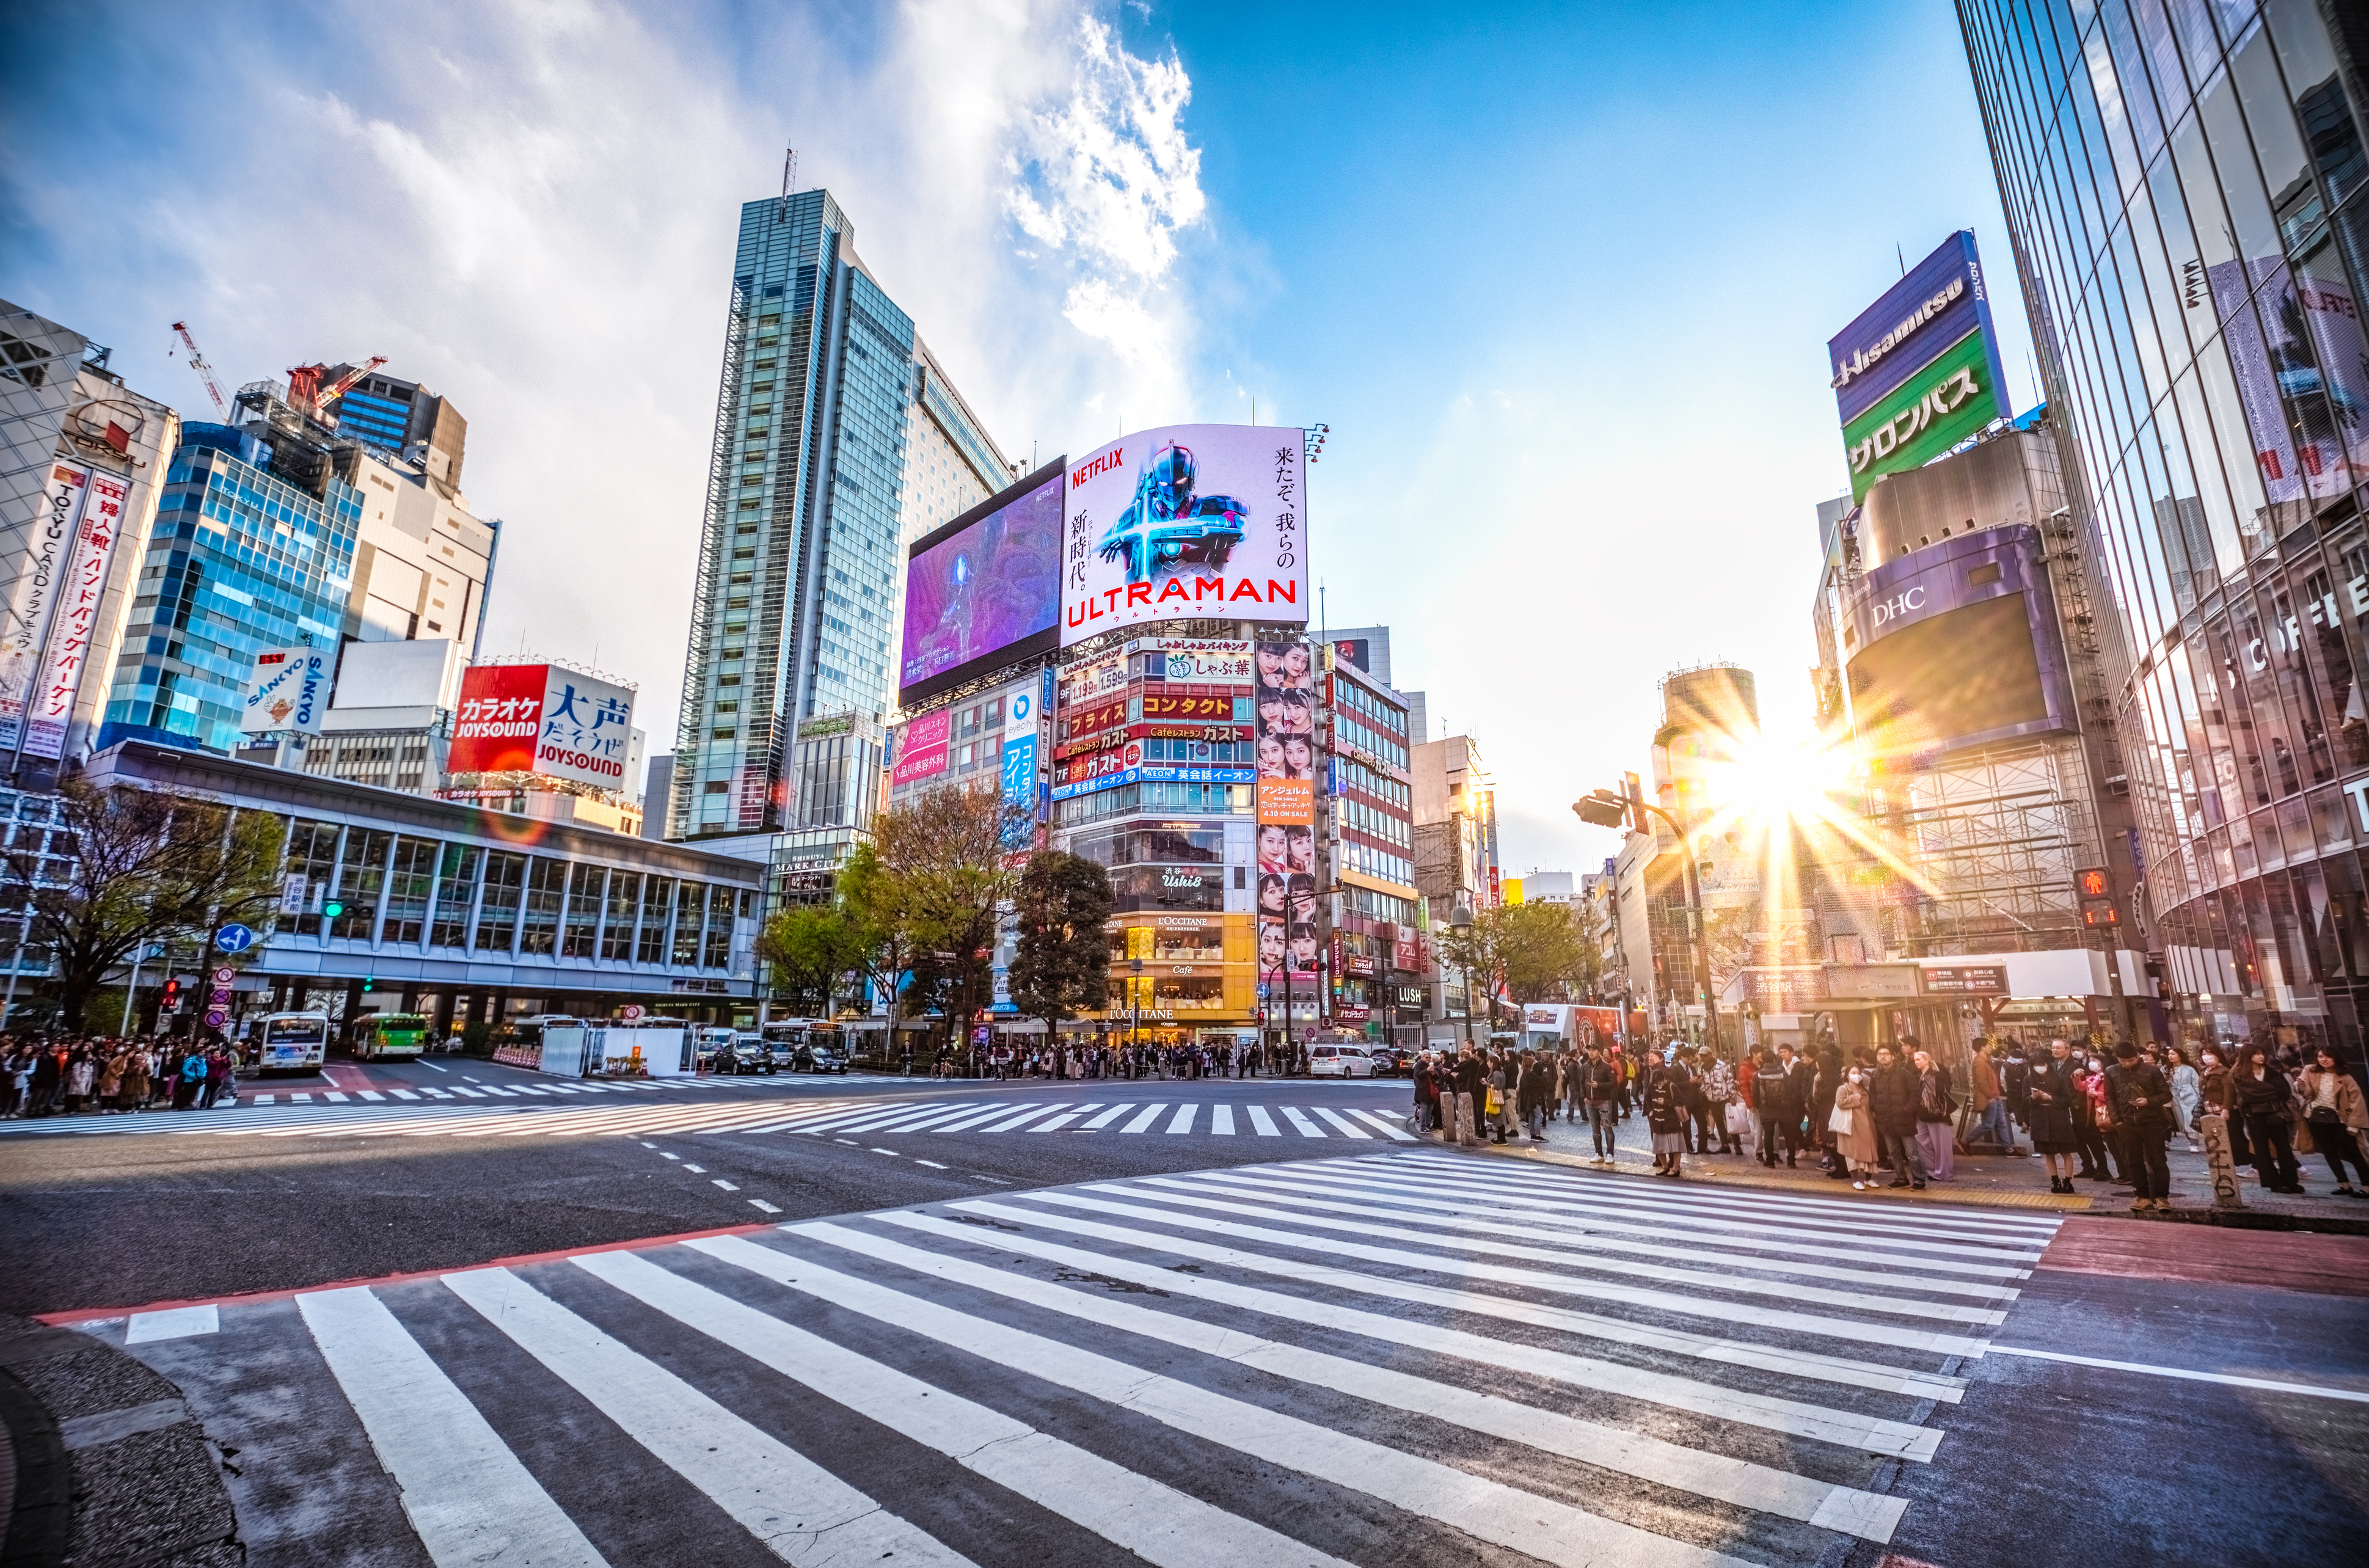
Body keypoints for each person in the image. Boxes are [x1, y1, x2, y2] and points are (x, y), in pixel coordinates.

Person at [2104, 1041, 2176, 1211]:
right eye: (2123, 1061)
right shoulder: (2111, 1071)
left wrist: (2148, 1101)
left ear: (2137, 1056)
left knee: (2158, 1160)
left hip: (2151, 1122)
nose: (2127, 1064)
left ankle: (2162, 1197)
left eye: (2130, 1060)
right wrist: (2118, 1121)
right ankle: (2142, 1197)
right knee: (2134, 1161)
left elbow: (2166, 1095)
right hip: (2126, 1123)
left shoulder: (2152, 1070)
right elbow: (2110, 1097)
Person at [2295, 1047, 2369, 1198]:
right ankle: (2343, 1185)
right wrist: (2301, 1086)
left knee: (2355, 1154)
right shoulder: (2310, 1070)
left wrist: (2354, 1125)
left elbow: (2357, 1101)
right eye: (2321, 1056)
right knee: (2329, 1153)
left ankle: (2366, 1187)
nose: (2324, 1060)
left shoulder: (2345, 1076)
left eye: (2328, 1057)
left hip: (2340, 1120)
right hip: (2317, 1119)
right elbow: (2306, 1093)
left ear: (2336, 1059)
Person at [2230, 1045, 2302, 1193]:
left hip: (2275, 1114)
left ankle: (2291, 1182)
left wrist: (2268, 1092)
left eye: (2262, 1053)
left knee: (2284, 1148)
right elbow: (2250, 1094)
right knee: (2262, 1151)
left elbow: (2284, 1091)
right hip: (2254, 1116)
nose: (2261, 1057)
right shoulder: (2239, 1073)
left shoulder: (2270, 1071)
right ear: (2247, 1055)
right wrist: (2272, 1091)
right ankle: (2274, 1183)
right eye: (2257, 1054)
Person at [1869, 1045, 1929, 1189]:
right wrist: (1875, 1108)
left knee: (1912, 1153)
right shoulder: (1875, 1075)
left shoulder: (1904, 1073)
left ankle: (1919, 1180)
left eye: (1886, 1054)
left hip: (1903, 1119)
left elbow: (1916, 1094)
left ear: (1893, 1056)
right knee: (1893, 1153)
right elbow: (1873, 1095)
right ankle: (1901, 1179)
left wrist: (1907, 1110)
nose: (1882, 1056)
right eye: (1880, 1054)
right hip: (1886, 1120)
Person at [1831, 1065, 1882, 1188]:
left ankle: (1868, 1179)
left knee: (1870, 1151)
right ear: (1847, 1076)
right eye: (1853, 1072)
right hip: (1851, 1125)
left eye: (1858, 1073)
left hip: (1868, 1125)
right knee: (1852, 1153)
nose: (1857, 1075)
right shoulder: (1843, 1089)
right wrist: (1854, 1098)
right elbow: (1840, 1103)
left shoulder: (1865, 1090)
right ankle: (1855, 1181)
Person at [1913, 1049, 1956, 1182]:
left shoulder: (1935, 1075)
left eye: (1918, 1059)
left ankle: (1943, 1173)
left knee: (1941, 1145)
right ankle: (1932, 1170)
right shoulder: (1922, 1075)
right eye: (1915, 1060)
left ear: (1927, 1060)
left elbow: (1935, 1095)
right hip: (1925, 1115)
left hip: (1936, 1115)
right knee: (1921, 1139)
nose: (1916, 1062)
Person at [1644, 1056, 1688, 1177]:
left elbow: (1680, 1101)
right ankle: (1664, 1167)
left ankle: (1675, 1169)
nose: (1658, 1085)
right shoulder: (1652, 1086)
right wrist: (1650, 1110)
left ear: (1664, 1079)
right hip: (1657, 1120)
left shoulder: (1671, 1086)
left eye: (1660, 1083)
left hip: (1671, 1120)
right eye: (1656, 1083)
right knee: (1658, 1146)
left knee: (1675, 1146)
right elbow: (1647, 1098)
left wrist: (1666, 1102)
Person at [1969, 1041, 2014, 1151]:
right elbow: (1981, 1082)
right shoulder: (1980, 1062)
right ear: (1982, 1047)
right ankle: (1966, 1141)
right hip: (1990, 1097)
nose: (1990, 1048)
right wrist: (1990, 1096)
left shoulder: (1986, 1060)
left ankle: (2009, 1149)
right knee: (1988, 1124)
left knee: (2001, 1123)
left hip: (1995, 1096)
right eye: (1988, 1046)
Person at [2168, 1046, 2202, 1153]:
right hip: (2175, 1097)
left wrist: (2200, 1098)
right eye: (2169, 1054)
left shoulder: (2189, 1069)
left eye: (2173, 1054)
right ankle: (2190, 1141)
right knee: (2181, 1121)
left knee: (2190, 1120)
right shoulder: (2166, 1069)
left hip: (2190, 1096)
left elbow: (2196, 1084)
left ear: (2180, 1056)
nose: (2170, 1056)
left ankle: (2194, 1144)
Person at [1451, 1044, 1485, 1148]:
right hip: (1473, 1090)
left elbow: (1462, 1073)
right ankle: (1477, 1130)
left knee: (1480, 1112)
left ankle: (1482, 1131)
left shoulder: (1485, 1066)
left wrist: (1454, 1072)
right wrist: (1452, 1070)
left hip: (1481, 1091)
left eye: (1477, 1055)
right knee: (1474, 1111)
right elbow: (1463, 1067)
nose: (1476, 1057)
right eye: (1475, 1055)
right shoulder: (1474, 1063)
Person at [1517, 1050, 1554, 1143]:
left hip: (1528, 1099)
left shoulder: (1524, 1074)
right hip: (1533, 1098)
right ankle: (1537, 1135)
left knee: (1532, 1116)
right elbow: (1540, 1082)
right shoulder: (1529, 1074)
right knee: (1539, 1116)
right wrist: (1545, 1073)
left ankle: (1533, 1135)